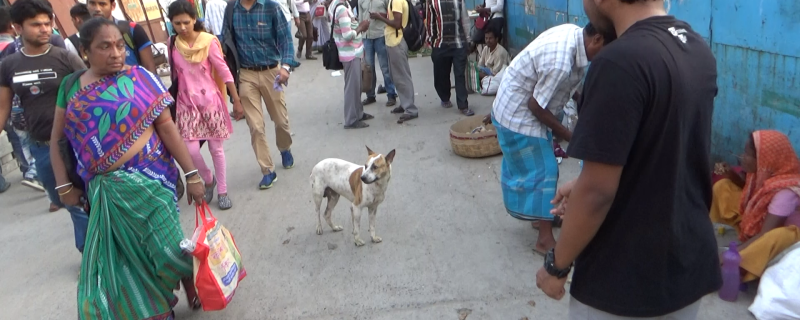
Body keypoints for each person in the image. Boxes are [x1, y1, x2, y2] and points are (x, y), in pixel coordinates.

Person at [535, 0, 721, 319]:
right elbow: (662, 150)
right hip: (684, 270)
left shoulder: (619, 62)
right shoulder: (695, 46)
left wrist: (556, 264)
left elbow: (597, 193)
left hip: (623, 282)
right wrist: (581, 184)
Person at [50, 17, 204, 319]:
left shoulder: (142, 78)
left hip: (153, 180)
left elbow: (167, 127)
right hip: (105, 190)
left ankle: (187, 278)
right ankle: (153, 309)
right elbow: (56, 140)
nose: (116, 53)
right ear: (85, 52)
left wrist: (192, 173)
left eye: (120, 46)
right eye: (105, 47)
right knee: (129, 258)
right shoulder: (70, 87)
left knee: (169, 250)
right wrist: (63, 186)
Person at [489, 23, 609, 256]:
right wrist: (569, 136)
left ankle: (541, 215)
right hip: (518, 112)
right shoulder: (560, 61)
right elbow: (536, 106)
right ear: (596, 39)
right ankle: (544, 240)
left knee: (542, 167)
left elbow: (567, 86)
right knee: (545, 170)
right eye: (606, 50)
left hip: (521, 102)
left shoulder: (575, 36)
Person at [0, 0, 89, 251]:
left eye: (47, 23)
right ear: (17, 27)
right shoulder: (9, 65)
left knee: (84, 199)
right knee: (66, 199)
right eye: (36, 24)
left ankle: (90, 252)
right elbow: (3, 107)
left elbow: (91, 93)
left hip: (76, 142)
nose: (45, 29)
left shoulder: (66, 57)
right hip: (41, 147)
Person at [168, 0, 242, 210]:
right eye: (177, 23)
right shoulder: (172, 44)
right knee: (190, 151)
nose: (182, 28)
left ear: (194, 20)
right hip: (186, 105)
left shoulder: (209, 41)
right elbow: (174, 75)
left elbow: (223, 70)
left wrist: (236, 99)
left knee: (215, 149)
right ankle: (208, 179)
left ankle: (222, 191)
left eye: (186, 22)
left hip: (210, 103)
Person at [222, 0, 298, 189]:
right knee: (255, 126)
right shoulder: (231, 10)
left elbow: (286, 40)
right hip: (246, 75)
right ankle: (267, 170)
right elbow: (225, 42)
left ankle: (284, 148)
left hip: (272, 72)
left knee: (280, 120)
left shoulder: (271, 7)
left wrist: (286, 66)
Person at [711, 130, 800, 282]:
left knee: (775, 237)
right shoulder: (763, 172)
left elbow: (765, 233)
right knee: (723, 186)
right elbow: (750, 194)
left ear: (765, 159)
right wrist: (731, 174)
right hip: (763, 222)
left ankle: (744, 264)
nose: (742, 157)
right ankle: (741, 240)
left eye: (747, 154)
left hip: (780, 239)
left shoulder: (785, 192)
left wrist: (730, 255)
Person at [369, 0, 416, 123]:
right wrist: (381, 16)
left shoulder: (396, 1)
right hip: (392, 42)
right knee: (396, 76)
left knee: (402, 76)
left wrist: (380, 17)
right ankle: (405, 103)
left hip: (397, 42)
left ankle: (410, 109)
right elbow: (393, 17)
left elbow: (396, 23)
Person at [425, 0, 474, 116]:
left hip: (458, 43)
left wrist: (468, 39)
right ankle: (445, 96)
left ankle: (463, 105)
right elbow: (429, 23)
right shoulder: (432, 2)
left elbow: (465, 20)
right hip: (440, 44)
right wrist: (430, 40)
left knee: (460, 74)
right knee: (441, 74)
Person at [331, 0, 373, 129]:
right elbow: (347, 35)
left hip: (353, 52)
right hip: (350, 53)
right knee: (352, 88)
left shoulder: (341, 5)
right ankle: (351, 119)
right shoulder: (342, 9)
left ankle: (358, 113)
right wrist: (361, 27)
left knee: (357, 86)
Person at [87, 0, 156, 72]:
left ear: (113, 6)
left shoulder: (132, 29)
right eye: (92, 3)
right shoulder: (86, 36)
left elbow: (149, 67)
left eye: (102, 4)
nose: (97, 9)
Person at [359, 0, 397, 107]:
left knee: (385, 67)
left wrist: (379, 16)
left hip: (381, 35)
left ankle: (391, 94)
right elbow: (361, 17)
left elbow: (390, 14)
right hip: (366, 37)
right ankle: (370, 95)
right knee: (368, 68)